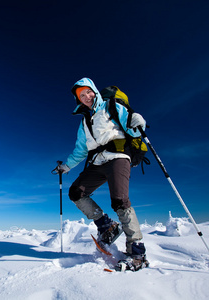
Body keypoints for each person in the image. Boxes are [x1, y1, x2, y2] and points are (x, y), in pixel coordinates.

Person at [54, 77, 147, 269]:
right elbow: (81, 150)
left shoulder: (111, 106)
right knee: (76, 192)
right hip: (97, 162)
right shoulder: (84, 123)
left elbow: (131, 127)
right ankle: (107, 227)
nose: (86, 96)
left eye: (88, 92)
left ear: (94, 91)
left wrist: (139, 124)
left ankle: (137, 253)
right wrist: (66, 167)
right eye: (81, 95)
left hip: (118, 157)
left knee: (120, 200)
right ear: (79, 100)